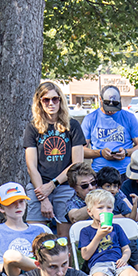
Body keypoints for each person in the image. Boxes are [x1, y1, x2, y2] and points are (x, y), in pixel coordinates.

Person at [21, 80, 87, 232]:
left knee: (65, 239)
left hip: (65, 186)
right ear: (39, 102)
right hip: (39, 186)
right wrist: (43, 197)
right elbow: (31, 166)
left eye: (55, 99)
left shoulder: (73, 125)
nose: (51, 103)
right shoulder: (32, 128)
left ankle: (65, 257)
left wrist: (53, 184)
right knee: (36, 236)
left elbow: (77, 163)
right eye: (46, 100)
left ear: (60, 101)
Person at [0, 183, 51, 276]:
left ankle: (47, 268)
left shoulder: (38, 230)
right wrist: (8, 266)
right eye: (12, 203)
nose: (18, 206)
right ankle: (47, 268)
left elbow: (50, 255)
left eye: (21, 201)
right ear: (1, 208)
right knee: (11, 257)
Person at [82, 83, 138, 176]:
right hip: (100, 172)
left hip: (125, 172)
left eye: (115, 106)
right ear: (101, 100)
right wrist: (100, 153)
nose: (111, 111)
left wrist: (126, 152)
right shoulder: (91, 118)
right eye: (108, 108)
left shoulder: (129, 117)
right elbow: (80, 150)